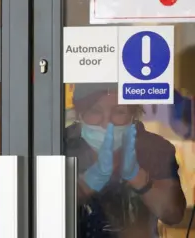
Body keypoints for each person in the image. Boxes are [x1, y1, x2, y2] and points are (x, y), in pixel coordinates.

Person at [64, 83, 186, 238]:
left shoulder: (155, 148)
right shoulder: (61, 145)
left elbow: (173, 215)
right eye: (95, 111)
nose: (106, 123)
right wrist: (87, 182)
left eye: (119, 112)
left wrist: (138, 179)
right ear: (79, 114)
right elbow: (43, 209)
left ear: (133, 115)